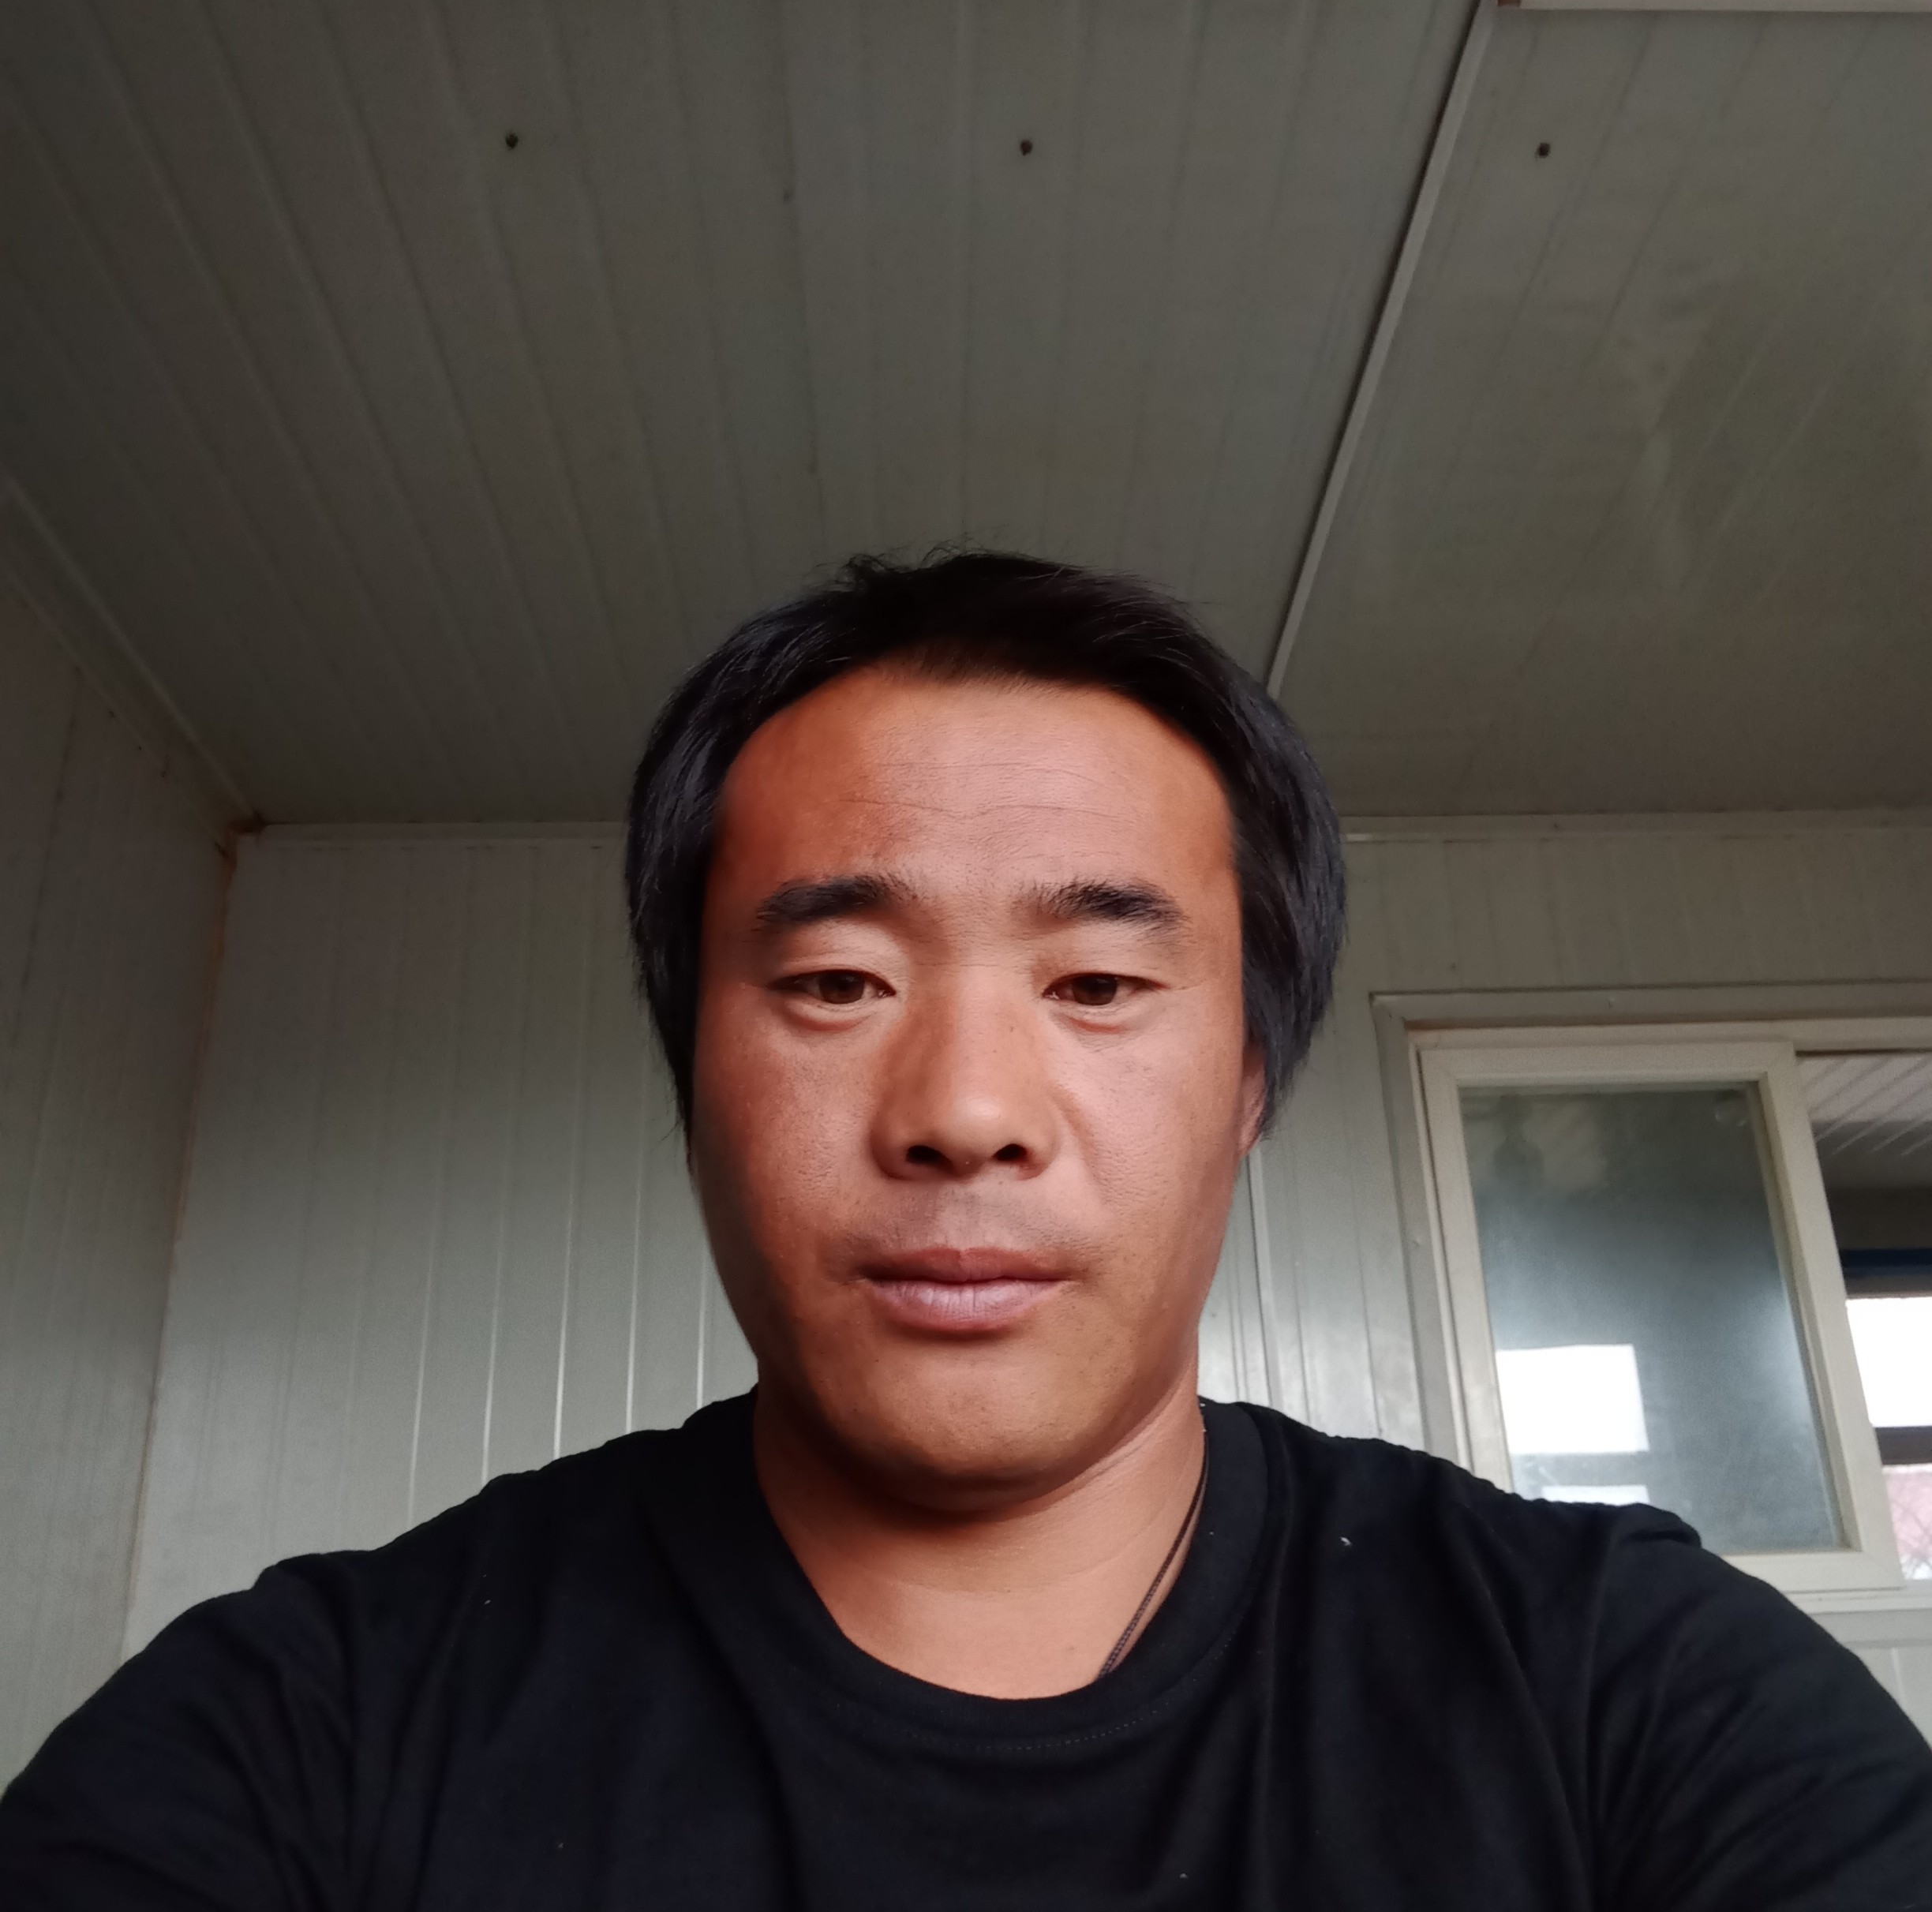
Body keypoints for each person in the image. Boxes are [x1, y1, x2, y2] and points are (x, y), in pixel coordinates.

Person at [2, 550, 1928, 1910]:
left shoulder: (1627, 1689)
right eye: (838, 982)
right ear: (692, 1070)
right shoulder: (307, 1729)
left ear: (1250, 1080)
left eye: (1097, 985)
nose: (965, 1112)